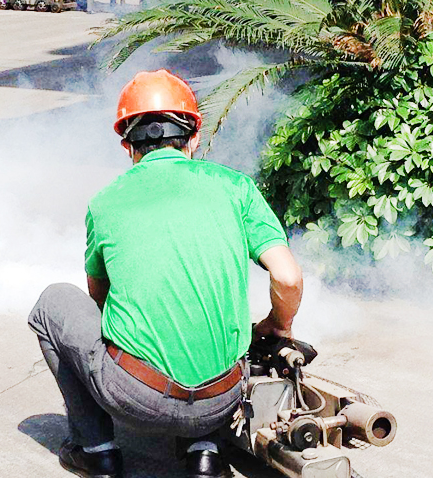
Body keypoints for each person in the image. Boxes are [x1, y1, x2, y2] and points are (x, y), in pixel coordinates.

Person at [27, 69, 305, 478]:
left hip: (135, 400)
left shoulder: (105, 202)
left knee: (52, 302)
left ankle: (97, 451)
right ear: (194, 136)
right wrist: (279, 325)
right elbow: (288, 277)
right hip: (222, 399)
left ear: (127, 146)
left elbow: (99, 301)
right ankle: (205, 452)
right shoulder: (235, 187)